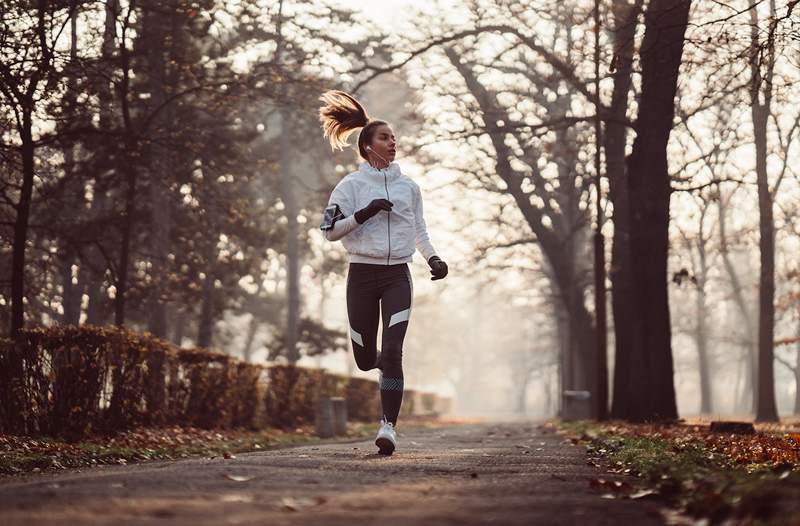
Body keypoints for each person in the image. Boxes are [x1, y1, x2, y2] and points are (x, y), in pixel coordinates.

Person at [317, 90, 448, 456]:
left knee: (392, 350)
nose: (393, 142)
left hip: (397, 277)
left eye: (393, 137)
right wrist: (365, 213)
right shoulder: (350, 186)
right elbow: (328, 232)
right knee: (364, 358)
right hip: (361, 275)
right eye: (385, 137)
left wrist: (433, 259)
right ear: (367, 145)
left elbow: (419, 230)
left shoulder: (409, 187)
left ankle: (388, 426)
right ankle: (379, 368)